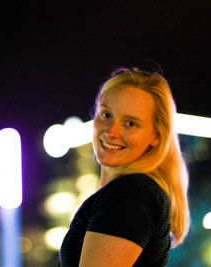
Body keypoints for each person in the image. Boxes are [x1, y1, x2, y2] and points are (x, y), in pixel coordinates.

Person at [59, 67, 190, 266]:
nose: (111, 131)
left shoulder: (130, 195)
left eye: (130, 123)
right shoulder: (128, 193)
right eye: (106, 115)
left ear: (156, 135)